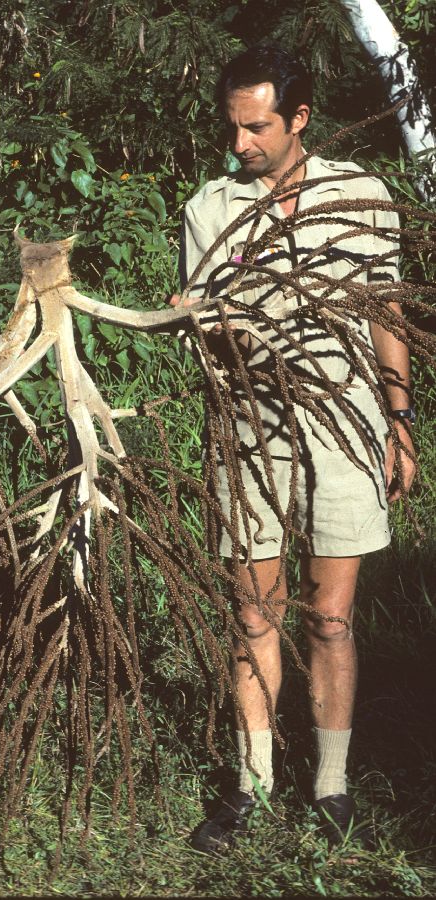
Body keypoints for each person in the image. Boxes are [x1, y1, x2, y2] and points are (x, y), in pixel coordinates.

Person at [174, 45, 417, 853]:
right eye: (232, 126)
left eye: (257, 127)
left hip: (344, 427)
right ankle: (250, 787)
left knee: (333, 619)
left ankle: (333, 783)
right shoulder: (210, 208)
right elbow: (204, 342)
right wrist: (199, 326)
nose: (239, 143)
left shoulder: (362, 196)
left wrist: (398, 419)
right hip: (250, 429)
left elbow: (385, 311)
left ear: (299, 120)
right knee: (252, 614)